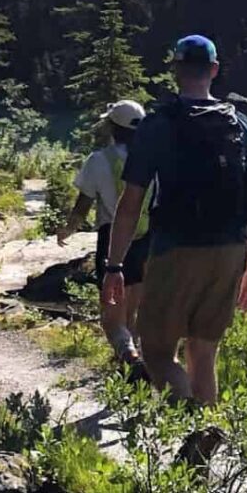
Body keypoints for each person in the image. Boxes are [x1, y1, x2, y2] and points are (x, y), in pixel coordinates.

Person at [103, 35, 247, 408]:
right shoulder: (238, 124)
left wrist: (115, 265)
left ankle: (189, 414)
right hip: (229, 249)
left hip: (175, 247)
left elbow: (131, 204)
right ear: (214, 70)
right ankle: (206, 444)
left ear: (176, 71)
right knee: (204, 351)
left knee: (158, 354)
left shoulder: (158, 124)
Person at [67, 99, 150, 367]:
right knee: (133, 312)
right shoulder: (152, 161)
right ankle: (134, 367)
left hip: (112, 240)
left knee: (112, 318)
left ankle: (128, 357)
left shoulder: (98, 161)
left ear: (113, 128)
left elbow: (83, 204)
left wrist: (67, 229)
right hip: (146, 240)